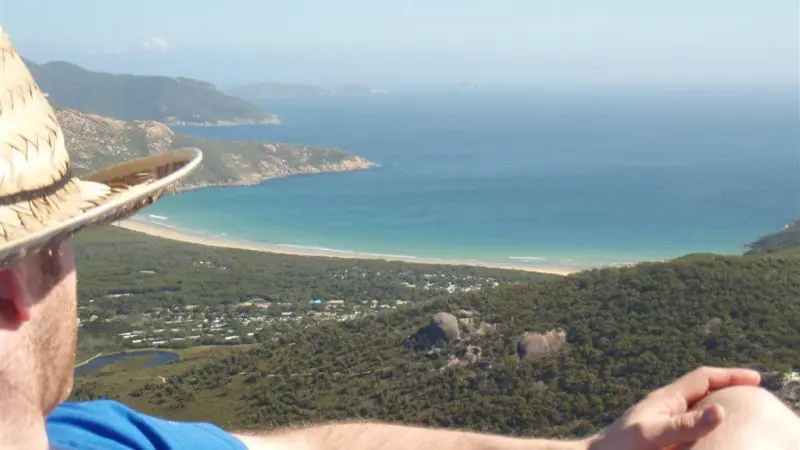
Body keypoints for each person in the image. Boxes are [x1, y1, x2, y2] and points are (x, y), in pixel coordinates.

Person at [0, 28, 796, 450]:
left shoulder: (95, 434)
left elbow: (315, 445)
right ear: (16, 290)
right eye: (71, 240)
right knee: (752, 419)